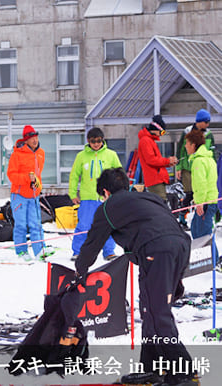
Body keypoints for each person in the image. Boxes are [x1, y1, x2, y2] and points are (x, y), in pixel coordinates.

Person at [74, 168, 195, 386]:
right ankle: (152, 368)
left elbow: (92, 244)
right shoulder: (148, 197)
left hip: (156, 251)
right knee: (149, 310)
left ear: (105, 192)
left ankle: (184, 372)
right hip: (179, 246)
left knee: (158, 314)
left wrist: (79, 269)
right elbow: (167, 227)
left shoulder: (108, 208)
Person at [68, 127, 122, 262]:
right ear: (88, 141)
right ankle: (78, 251)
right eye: (93, 141)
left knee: (108, 224)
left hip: (107, 198)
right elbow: (74, 176)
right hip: (88, 198)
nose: (96, 144)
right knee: (84, 225)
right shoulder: (81, 156)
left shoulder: (111, 155)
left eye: (98, 140)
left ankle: (109, 252)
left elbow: (119, 174)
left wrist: (120, 192)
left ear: (103, 140)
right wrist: (73, 193)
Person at [7, 125, 53, 261]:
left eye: (36, 137)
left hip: (33, 195)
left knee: (36, 223)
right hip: (19, 195)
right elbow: (11, 175)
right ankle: (21, 252)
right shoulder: (17, 154)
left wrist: (38, 186)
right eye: (32, 138)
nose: (35, 140)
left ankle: (40, 250)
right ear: (25, 140)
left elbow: (38, 174)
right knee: (21, 225)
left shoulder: (41, 153)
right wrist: (27, 178)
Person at [176, 109, 215, 229]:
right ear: (199, 121)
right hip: (188, 167)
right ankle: (182, 216)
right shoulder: (187, 131)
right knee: (190, 192)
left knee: (201, 190)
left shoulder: (208, 134)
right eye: (206, 122)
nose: (208, 125)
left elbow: (213, 151)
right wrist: (178, 167)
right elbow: (180, 150)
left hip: (203, 166)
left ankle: (199, 214)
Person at [185, 129, 218, 240]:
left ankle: (211, 257)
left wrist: (200, 203)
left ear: (193, 145)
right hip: (209, 201)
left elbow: (201, 183)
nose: (185, 146)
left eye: (187, 144)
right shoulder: (209, 159)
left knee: (202, 237)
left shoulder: (199, 161)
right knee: (196, 230)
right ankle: (212, 256)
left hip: (205, 203)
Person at [137, 114, 178, 201]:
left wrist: (169, 163)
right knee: (161, 203)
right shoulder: (145, 141)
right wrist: (167, 161)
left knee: (161, 203)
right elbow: (151, 160)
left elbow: (156, 161)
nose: (161, 135)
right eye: (162, 132)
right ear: (156, 129)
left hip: (157, 179)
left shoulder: (149, 141)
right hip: (154, 180)